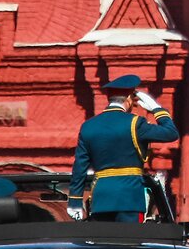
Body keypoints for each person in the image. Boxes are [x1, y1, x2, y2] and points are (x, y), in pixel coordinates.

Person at [67, 74, 178, 223]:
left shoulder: (88, 126)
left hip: (101, 200)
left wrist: (75, 201)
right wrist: (157, 109)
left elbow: (80, 167)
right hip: (129, 199)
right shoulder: (135, 123)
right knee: (129, 243)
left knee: (102, 244)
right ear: (128, 99)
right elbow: (171, 133)